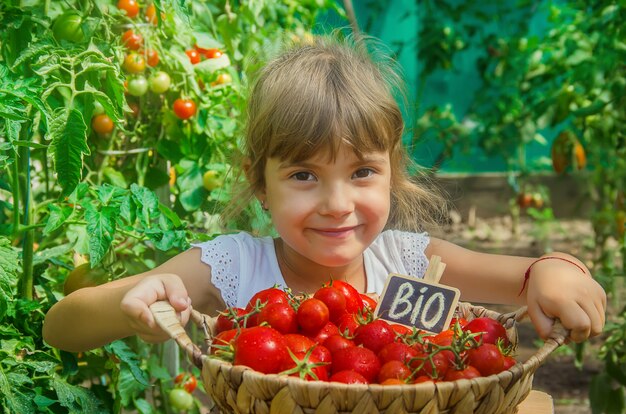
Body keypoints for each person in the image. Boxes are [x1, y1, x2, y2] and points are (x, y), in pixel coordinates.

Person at [43, 34, 606, 353]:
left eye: (362, 172)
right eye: (304, 176)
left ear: (392, 174)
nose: (337, 203)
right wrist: (136, 296)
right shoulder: (236, 268)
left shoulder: (411, 265)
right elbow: (61, 326)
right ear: (260, 184)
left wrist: (553, 271)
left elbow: (528, 275)